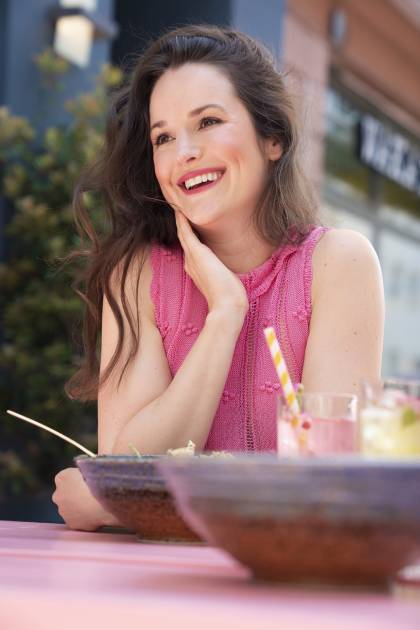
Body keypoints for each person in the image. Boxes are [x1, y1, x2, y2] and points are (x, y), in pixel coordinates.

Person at [52, 24, 384, 530]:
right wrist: (224, 316)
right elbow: (129, 466)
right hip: (161, 574)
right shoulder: (137, 275)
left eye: (207, 121)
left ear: (272, 138)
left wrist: (112, 503)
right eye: (163, 137)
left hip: (292, 570)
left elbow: (329, 489)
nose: (183, 152)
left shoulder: (338, 264)